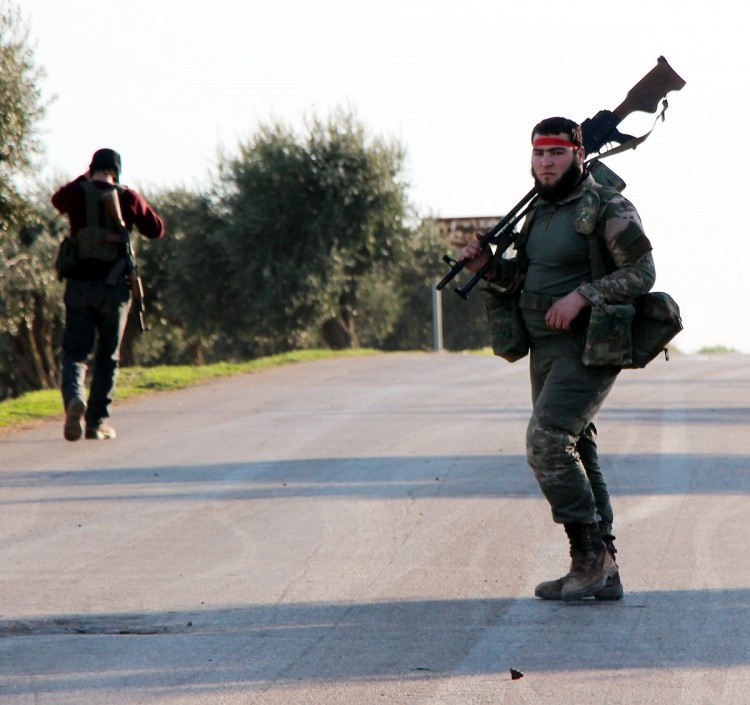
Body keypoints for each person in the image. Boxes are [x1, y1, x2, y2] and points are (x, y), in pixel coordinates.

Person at [459, 117, 656, 601]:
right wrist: (489, 269)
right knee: (578, 449)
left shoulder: (607, 205)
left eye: (557, 154)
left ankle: (589, 559)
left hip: (588, 346)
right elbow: (523, 281)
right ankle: (601, 568)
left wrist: (583, 296)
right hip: (543, 347)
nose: (546, 163)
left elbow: (642, 272)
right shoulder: (539, 214)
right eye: (539, 155)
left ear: (578, 156)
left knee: (546, 442)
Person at [52, 148, 165, 441]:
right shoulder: (128, 197)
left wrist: (85, 179)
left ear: (91, 169)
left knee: (75, 354)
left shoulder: (77, 193)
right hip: (114, 290)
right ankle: (95, 422)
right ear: (117, 171)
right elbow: (156, 229)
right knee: (107, 357)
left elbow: (57, 199)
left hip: (78, 287)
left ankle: (75, 399)